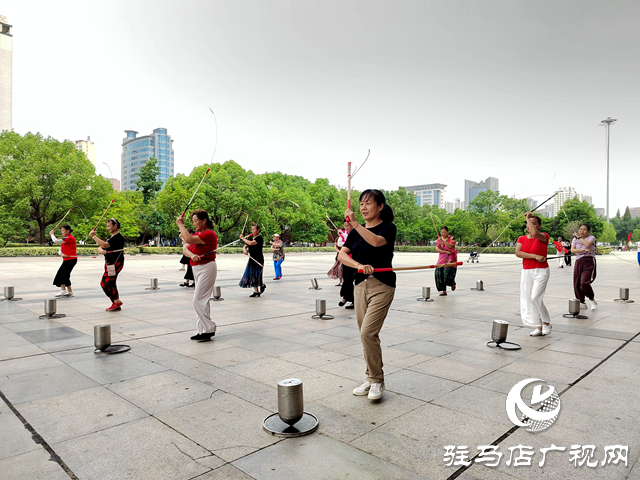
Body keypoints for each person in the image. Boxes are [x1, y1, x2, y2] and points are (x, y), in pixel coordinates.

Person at [338, 189, 396, 401]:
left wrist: (354, 224)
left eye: (368, 203)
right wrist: (358, 265)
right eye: (361, 203)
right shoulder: (355, 232)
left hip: (382, 286)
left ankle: (377, 381)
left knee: (368, 333)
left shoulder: (387, 228)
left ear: (380, 206)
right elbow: (342, 255)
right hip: (360, 285)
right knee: (365, 335)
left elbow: (377, 242)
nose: (363, 207)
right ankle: (371, 378)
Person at [177, 209, 218, 341]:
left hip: (207, 267)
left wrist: (180, 224)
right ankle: (202, 330)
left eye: (196, 221)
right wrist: (192, 255)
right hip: (197, 268)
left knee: (197, 300)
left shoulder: (209, 234)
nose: (194, 223)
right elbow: (185, 249)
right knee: (202, 301)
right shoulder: (198, 234)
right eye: (193, 221)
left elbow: (188, 239)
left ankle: (209, 328)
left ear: (204, 221)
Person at [515, 212, 551, 336]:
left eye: (534, 223)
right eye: (529, 223)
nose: (530, 225)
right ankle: (538, 326)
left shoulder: (544, 236)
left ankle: (546, 322)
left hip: (541, 270)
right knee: (527, 298)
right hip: (527, 271)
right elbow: (518, 253)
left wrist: (527, 218)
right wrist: (535, 256)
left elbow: (535, 234)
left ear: (539, 226)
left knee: (535, 297)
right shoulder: (522, 239)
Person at [90, 218, 125, 311]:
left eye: (109, 226)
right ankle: (115, 303)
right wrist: (101, 250)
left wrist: (94, 237)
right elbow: (101, 247)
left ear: (115, 226)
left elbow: (105, 245)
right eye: (107, 226)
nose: (107, 228)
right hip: (109, 263)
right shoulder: (110, 237)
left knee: (105, 283)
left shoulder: (118, 238)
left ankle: (116, 301)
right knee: (112, 283)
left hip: (115, 264)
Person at [572, 224, 597, 311]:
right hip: (578, 261)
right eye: (580, 229)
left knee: (584, 282)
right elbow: (573, 250)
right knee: (577, 283)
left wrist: (578, 237)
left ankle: (592, 299)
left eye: (584, 229)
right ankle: (582, 302)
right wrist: (584, 250)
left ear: (588, 231)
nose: (582, 231)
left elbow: (587, 244)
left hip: (589, 261)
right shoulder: (574, 239)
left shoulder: (591, 238)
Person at [50, 224, 77, 297]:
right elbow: (60, 249)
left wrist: (52, 234)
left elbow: (55, 241)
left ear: (68, 231)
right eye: (61, 230)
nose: (62, 232)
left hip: (71, 259)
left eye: (63, 230)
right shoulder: (65, 239)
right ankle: (70, 292)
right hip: (67, 259)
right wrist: (61, 254)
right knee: (65, 275)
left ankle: (63, 290)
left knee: (62, 274)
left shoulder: (70, 238)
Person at [239, 223, 266, 297]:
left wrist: (243, 238)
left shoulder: (259, 238)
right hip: (252, 258)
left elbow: (251, 243)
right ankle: (256, 292)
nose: (253, 231)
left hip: (258, 259)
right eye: (252, 229)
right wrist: (244, 250)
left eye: (254, 229)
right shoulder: (252, 238)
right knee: (252, 274)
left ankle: (262, 285)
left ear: (258, 230)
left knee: (257, 274)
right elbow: (245, 246)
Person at [434, 226, 458, 296]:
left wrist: (442, 241)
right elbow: (437, 249)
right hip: (441, 259)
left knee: (447, 274)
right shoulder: (439, 239)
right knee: (439, 273)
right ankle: (444, 291)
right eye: (442, 232)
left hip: (450, 259)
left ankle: (452, 283)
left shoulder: (451, 238)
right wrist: (445, 252)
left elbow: (450, 246)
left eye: (444, 232)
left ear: (447, 232)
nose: (443, 234)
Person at [338, 222, 355, 309]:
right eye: (345, 226)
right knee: (347, 278)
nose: (346, 227)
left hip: (354, 260)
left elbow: (351, 244)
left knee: (349, 279)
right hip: (346, 260)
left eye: (348, 225)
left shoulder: (355, 233)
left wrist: (345, 239)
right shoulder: (343, 234)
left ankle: (346, 297)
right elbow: (339, 244)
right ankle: (350, 299)